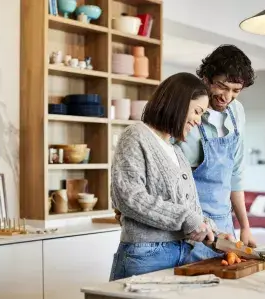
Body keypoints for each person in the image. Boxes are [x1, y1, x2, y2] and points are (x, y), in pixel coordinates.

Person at [109, 72, 226, 281]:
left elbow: (191, 208)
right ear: (179, 104)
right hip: (146, 255)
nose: (199, 121)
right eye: (197, 112)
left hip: (183, 253)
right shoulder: (136, 135)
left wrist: (211, 230)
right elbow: (128, 198)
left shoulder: (178, 153)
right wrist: (188, 219)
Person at [177, 44, 257, 262]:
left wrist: (245, 227)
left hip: (224, 225)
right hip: (190, 228)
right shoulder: (185, 112)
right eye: (222, 87)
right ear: (205, 78)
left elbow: (235, 173)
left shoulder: (236, 111)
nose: (227, 97)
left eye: (236, 91)